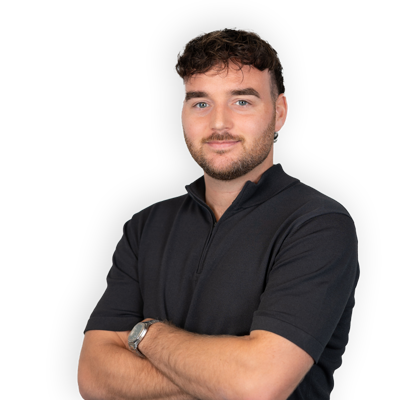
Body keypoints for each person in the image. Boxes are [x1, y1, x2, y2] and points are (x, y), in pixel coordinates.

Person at [77, 27, 360, 400]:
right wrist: (221, 379)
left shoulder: (317, 224)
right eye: (201, 103)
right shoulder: (144, 227)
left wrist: (146, 334)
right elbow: (93, 378)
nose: (218, 124)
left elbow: (257, 386)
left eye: (241, 101)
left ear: (279, 112)